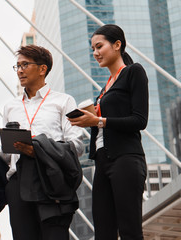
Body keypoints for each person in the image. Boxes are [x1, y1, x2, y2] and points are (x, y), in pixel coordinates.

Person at [68, 24, 148, 239]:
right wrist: (90, 120)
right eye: (92, 49)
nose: (95, 53)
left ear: (117, 45)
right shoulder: (105, 88)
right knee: (103, 231)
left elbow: (140, 120)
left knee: (130, 230)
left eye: (99, 46)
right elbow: (102, 122)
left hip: (126, 158)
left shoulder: (134, 72)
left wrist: (99, 120)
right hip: (103, 161)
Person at [3, 44, 84, 240]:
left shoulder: (63, 101)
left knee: (55, 235)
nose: (20, 70)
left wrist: (39, 150)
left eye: (25, 64)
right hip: (18, 181)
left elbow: (77, 145)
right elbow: (6, 156)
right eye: (17, 66)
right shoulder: (10, 106)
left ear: (42, 69)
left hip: (50, 178)